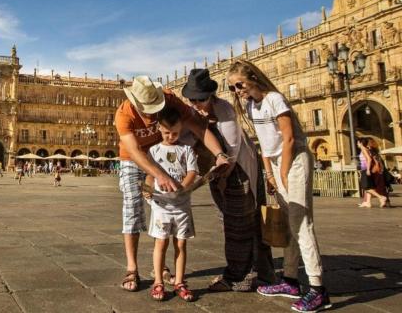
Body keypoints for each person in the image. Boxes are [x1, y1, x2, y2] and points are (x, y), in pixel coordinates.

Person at [227, 60, 330, 312]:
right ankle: (291, 281)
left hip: (294, 159)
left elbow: (290, 138)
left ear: (252, 78)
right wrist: (270, 174)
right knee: (288, 224)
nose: (237, 90)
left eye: (239, 84)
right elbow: (263, 142)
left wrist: (282, 170)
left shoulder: (275, 99)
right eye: (232, 88)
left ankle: (318, 290)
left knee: (301, 224)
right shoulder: (252, 106)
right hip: (276, 164)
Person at [115, 75, 230, 292]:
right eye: (146, 109)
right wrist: (159, 175)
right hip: (132, 159)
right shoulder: (123, 114)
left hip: (161, 154)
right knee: (132, 207)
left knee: (165, 211)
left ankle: (161, 267)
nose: (150, 113)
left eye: (153, 107)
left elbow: (199, 128)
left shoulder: (170, 100)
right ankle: (132, 268)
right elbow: (134, 150)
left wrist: (219, 154)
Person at [182, 68, 275, 292]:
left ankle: (238, 277)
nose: (195, 103)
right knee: (235, 222)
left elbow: (232, 149)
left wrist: (223, 178)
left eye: (200, 99)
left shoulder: (223, 109)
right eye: (192, 99)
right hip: (218, 172)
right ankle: (261, 273)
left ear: (210, 95)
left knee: (239, 224)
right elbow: (185, 137)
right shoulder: (195, 112)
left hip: (239, 170)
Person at [144, 106, 197, 302]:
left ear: (181, 129)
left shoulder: (186, 149)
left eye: (175, 133)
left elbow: (192, 172)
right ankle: (158, 280)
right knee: (161, 243)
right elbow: (150, 174)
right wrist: (147, 190)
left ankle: (180, 282)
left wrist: (182, 187)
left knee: (181, 244)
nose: (171, 136)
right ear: (159, 129)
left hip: (182, 205)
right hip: (160, 205)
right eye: (166, 132)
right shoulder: (154, 150)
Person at [356, 138, 387, 208]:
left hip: (365, 169)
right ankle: (368, 202)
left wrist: (367, 170)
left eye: (357, 143)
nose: (357, 144)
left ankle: (381, 197)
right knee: (369, 186)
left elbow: (369, 159)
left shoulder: (363, 149)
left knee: (366, 187)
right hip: (367, 169)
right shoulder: (367, 149)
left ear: (361, 143)